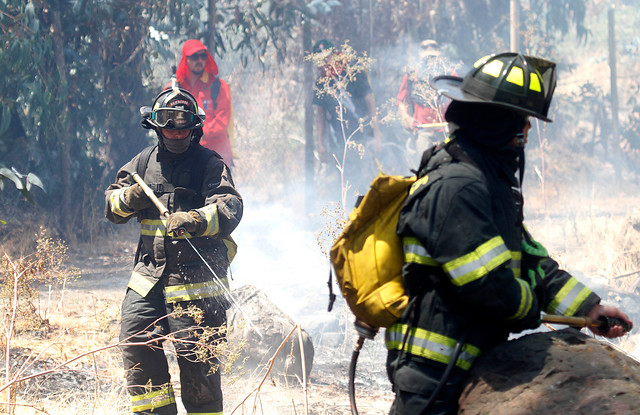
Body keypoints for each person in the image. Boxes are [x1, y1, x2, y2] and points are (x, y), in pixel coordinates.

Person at [385, 52, 633, 415]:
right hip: (434, 370)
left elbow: (529, 258)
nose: (529, 131)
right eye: (523, 121)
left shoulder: (485, 181)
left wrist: (588, 308)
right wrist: (531, 310)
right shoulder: (457, 187)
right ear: (497, 121)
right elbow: (490, 287)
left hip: (473, 361)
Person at [105, 87, 243, 414]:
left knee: (199, 374)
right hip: (148, 281)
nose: (177, 132)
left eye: (184, 126)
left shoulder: (209, 163)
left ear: (195, 127)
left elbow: (230, 206)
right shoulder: (141, 163)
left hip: (197, 287)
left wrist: (195, 219)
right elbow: (111, 206)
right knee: (136, 346)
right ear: (155, 127)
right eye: (169, 125)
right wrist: (129, 198)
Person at [311, 39, 382, 198]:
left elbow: (370, 102)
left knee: (366, 183)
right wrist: (320, 144)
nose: (323, 63)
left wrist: (377, 136)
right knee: (342, 186)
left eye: (326, 58)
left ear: (335, 55)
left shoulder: (354, 72)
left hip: (363, 137)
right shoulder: (321, 82)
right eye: (319, 60)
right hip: (338, 143)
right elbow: (320, 115)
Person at [167, 39, 235, 166]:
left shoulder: (219, 87)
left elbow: (222, 122)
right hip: (184, 158)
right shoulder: (173, 89)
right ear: (185, 59)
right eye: (194, 57)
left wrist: (196, 134)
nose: (199, 60)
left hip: (217, 158)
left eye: (203, 56)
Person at [397, 39, 456, 158]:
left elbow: (460, 99)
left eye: (433, 55)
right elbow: (401, 101)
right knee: (423, 162)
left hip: (446, 130)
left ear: (438, 53)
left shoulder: (449, 73)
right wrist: (406, 117)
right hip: (422, 130)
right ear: (420, 54)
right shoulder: (412, 75)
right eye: (426, 51)